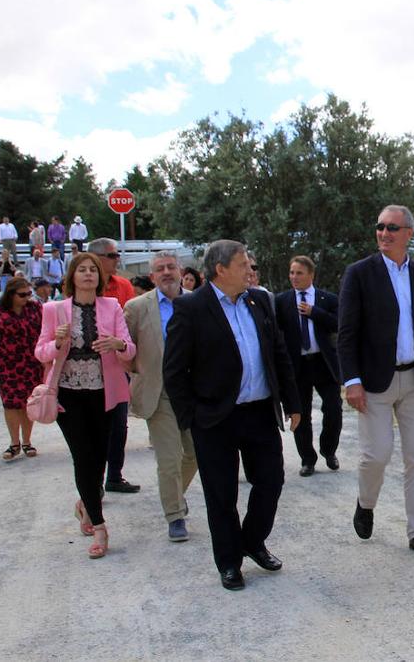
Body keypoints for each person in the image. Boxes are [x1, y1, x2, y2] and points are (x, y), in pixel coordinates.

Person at [162, 240, 302, 591]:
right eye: (243, 264)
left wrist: (293, 402)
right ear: (221, 269)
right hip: (214, 418)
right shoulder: (191, 308)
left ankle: (252, 540)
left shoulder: (259, 301)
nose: (250, 269)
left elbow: (278, 354)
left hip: (258, 411)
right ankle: (229, 562)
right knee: (221, 494)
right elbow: (175, 371)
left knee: (271, 481)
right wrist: (190, 417)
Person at [338, 205, 414, 560]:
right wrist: (351, 380)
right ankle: (365, 503)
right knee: (377, 455)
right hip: (374, 383)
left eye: (392, 228)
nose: (384, 233)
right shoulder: (359, 275)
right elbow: (347, 333)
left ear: (408, 233)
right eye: (380, 227)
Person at [34, 252, 137, 559]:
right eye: (83, 270)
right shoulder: (54, 310)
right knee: (83, 455)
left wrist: (117, 345)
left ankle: (86, 502)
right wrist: (56, 343)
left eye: (93, 270)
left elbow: (129, 348)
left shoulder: (112, 306)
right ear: (72, 277)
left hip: (104, 391)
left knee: (100, 456)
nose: (89, 274)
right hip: (68, 392)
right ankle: (101, 525)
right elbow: (40, 352)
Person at [125, 251, 197, 543]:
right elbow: (126, 350)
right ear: (152, 276)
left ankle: (175, 495)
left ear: (180, 271)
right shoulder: (137, 307)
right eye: (159, 269)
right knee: (169, 458)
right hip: (160, 392)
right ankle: (175, 516)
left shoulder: (198, 302)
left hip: (194, 392)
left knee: (195, 454)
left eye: (170, 267)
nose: (166, 272)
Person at [274, 255, 342, 477]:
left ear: (311, 275)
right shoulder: (282, 301)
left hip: (323, 363)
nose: (294, 277)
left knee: (333, 408)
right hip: (298, 365)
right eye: (292, 273)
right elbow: (277, 333)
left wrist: (315, 313)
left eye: (299, 273)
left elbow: (340, 324)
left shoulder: (327, 299)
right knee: (300, 413)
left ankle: (328, 449)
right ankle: (307, 459)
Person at [86, 237, 139, 493]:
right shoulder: (80, 287)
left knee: (119, 423)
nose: (117, 259)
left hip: (117, 365)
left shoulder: (124, 286)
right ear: (97, 258)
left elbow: (130, 326)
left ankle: (115, 475)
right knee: (94, 426)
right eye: (113, 255)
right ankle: (93, 480)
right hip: (88, 367)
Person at [0, 276, 44, 461]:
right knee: (10, 403)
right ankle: (14, 443)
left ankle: (27, 441)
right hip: (8, 364)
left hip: (31, 362)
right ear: (10, 295)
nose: (27, 297)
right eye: (22, 295)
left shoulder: (35, 308)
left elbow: (44, 332)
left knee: (28, 402)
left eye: (29, 293)